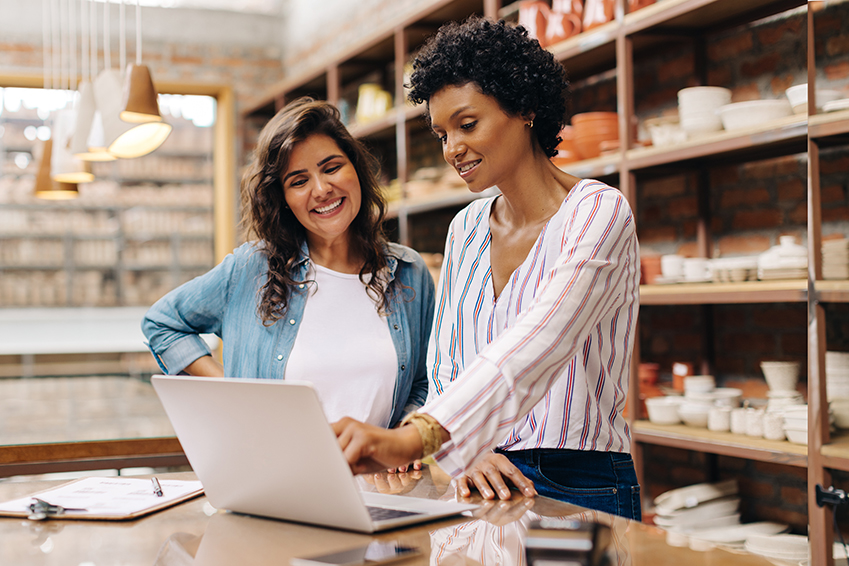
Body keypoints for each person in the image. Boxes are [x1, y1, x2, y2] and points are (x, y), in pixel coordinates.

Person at [332, 16, 642, 520]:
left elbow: (540, 344)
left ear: (524, 108)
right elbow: (447, 365)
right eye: (441, 133)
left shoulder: (597, 212)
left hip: (579, 482)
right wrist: (466, 451)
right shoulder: (467, 227)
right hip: (479, 474)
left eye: (467, 124)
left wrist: (418, 437)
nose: (452, 148)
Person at [142, 97, 435, 431]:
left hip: (375, 483)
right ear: (282, 199)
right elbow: (162, 323)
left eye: (331, 167)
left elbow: (424, 383)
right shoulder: (251, 268)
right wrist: (232, 389)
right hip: (275, 477)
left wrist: (403, 438)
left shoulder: (409, 272)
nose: (322, 189)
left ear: (356, 169)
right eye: (299, 181)